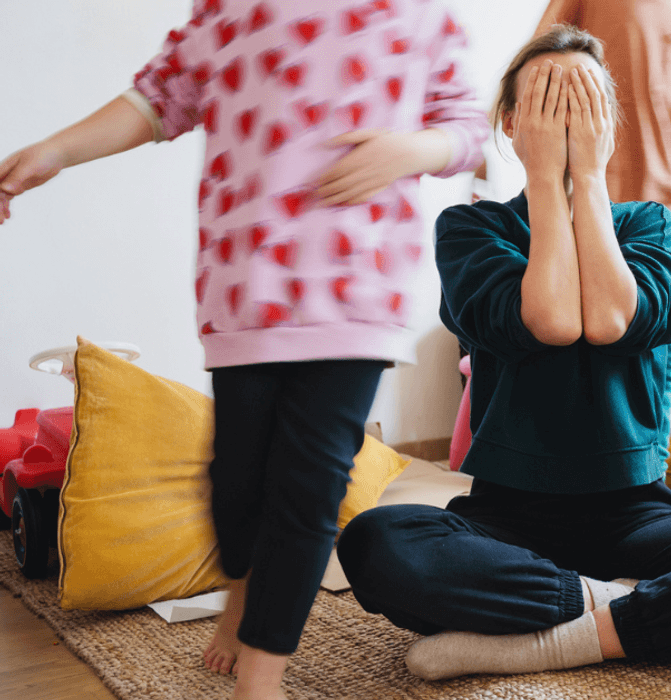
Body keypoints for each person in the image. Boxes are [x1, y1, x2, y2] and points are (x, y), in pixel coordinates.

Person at [334, 25, 671, 681]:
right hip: (504, 516)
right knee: (377, 543)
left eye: (583, 106)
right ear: (512, 122)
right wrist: (549, 180)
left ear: (609, 124)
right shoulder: (472, 228)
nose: (566, 121)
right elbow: (550, 320)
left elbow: (608, 319)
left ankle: (564, 634)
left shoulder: (648, 225)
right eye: (549, 103)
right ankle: (625, 611)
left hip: (635, 516)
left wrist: (585, 173)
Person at [0, 2, 488, 698]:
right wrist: (54, 152)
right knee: (236, 484)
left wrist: (411, 150)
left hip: (357, 289)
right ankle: (242, 588)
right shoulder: (230, 10)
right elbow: (156, 98)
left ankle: (263, 672)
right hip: (245, 291)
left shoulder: (415, 12)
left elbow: (467, 127)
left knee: (308, 484)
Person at [475, 0, 671, 268]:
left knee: (655, 325)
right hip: (574, 207)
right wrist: (483, 153)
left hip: (662, 216)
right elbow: (532, 76)